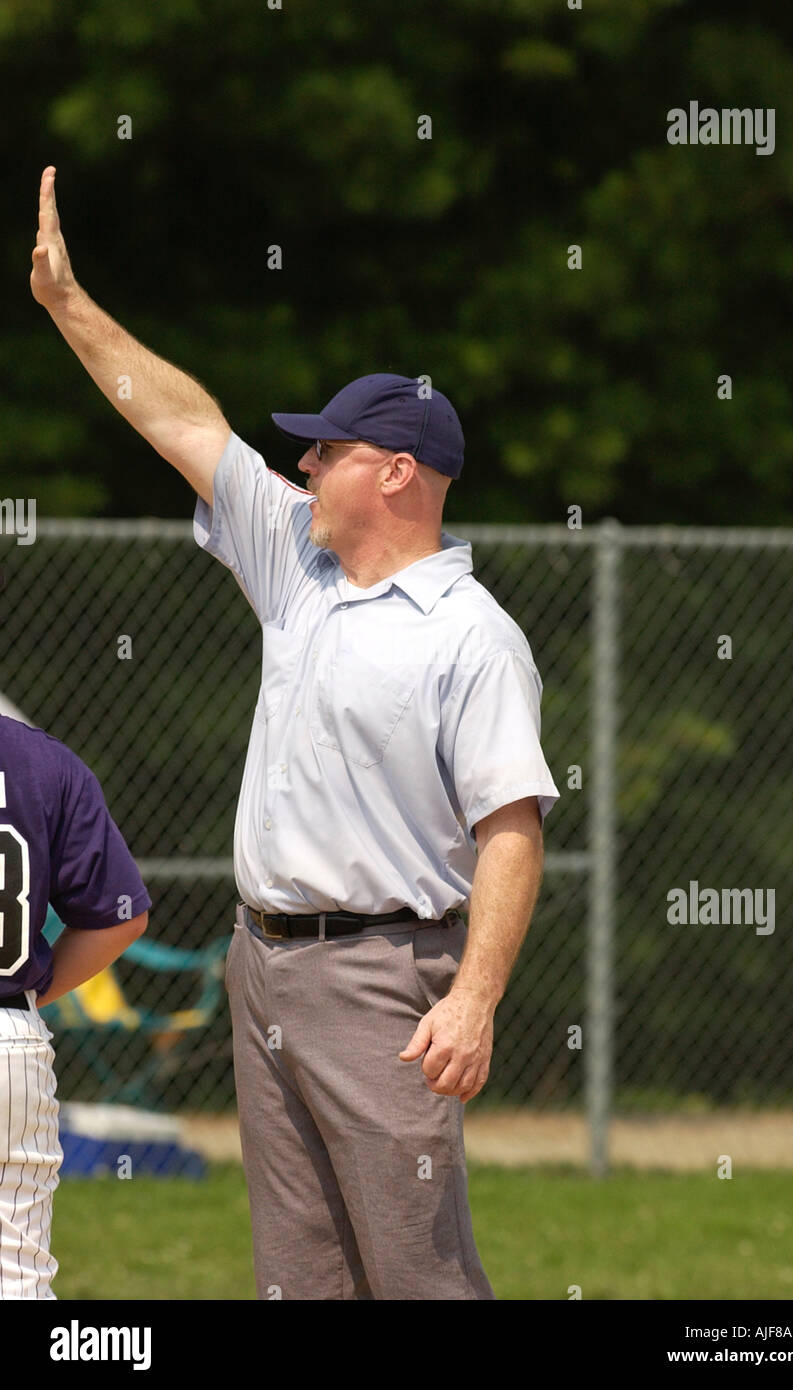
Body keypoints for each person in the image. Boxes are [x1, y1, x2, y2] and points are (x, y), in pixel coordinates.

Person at [31, 164, 560, 1300]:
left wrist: (474, 998)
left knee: (416, 1273)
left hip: (385, 981)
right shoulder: (300, 568)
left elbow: (512, 829)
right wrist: (68, 304)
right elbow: (182, 420)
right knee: (300, 1279)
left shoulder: (472, 635)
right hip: (261, 963)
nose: (305, 464)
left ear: (398, 472)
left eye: (327, 449)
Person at [0, 713, 150, 1298]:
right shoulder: (41, 760)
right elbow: (121, 916)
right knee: (17, 1276)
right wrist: (32, 994)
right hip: (9, 1037)